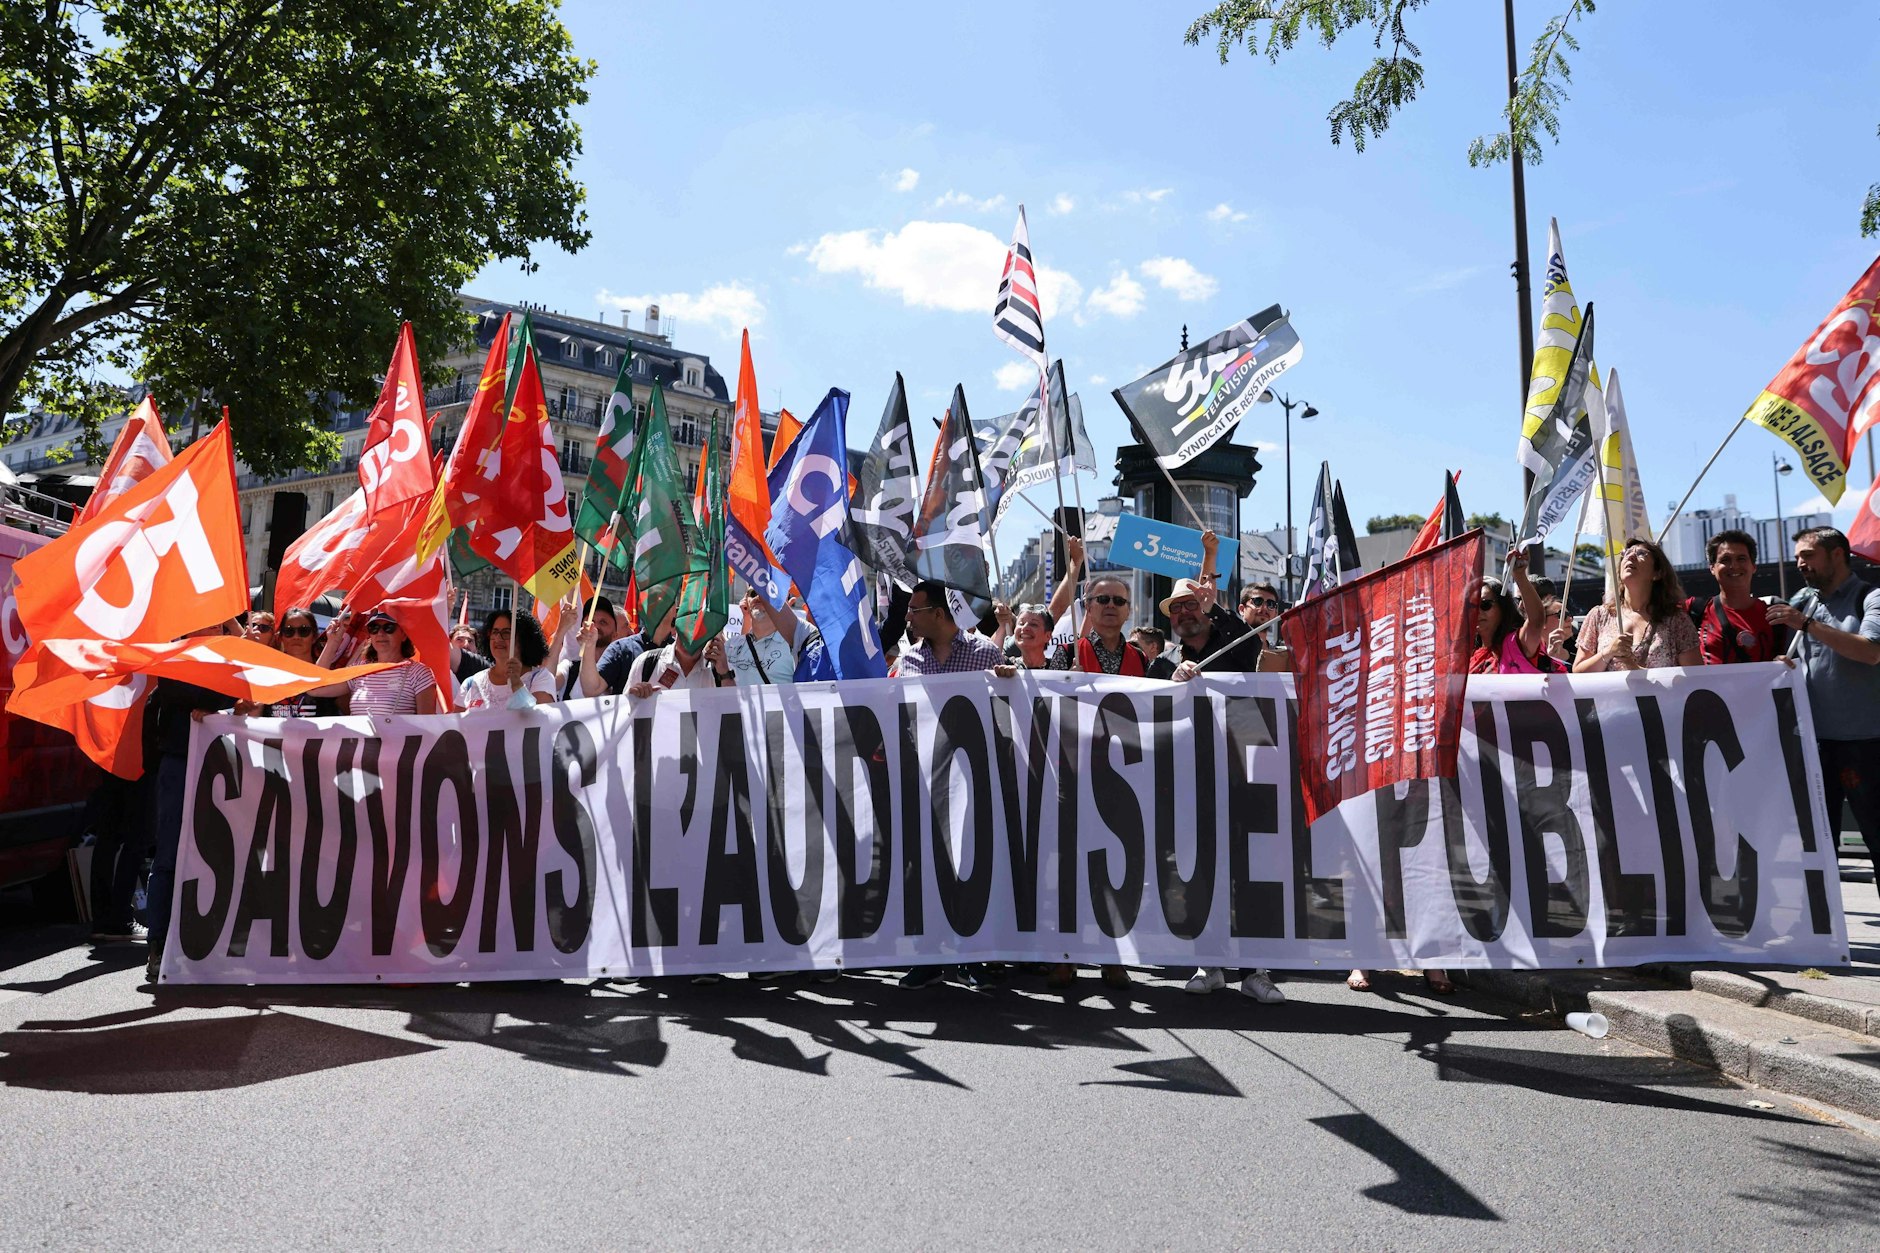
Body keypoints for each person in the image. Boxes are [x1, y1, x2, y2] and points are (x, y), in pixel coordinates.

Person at [894, 581, 1009, 990]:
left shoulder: (985, 654)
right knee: (926, 866)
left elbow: (1008, 708)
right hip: (924, 781)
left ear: (938, 614)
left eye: (915, 609)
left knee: (971, 865)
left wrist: (1011, 680)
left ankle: (972, 956)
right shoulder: (907, 660)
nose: (908, 617)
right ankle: (928, 957)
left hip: (972, 779)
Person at [1768, 527, 1880, 876]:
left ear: (1837, 554)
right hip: (1814, 747)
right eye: (1798, 556)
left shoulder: (1870, 597)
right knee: (1817, 847)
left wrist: (1807, 624)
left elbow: (1871, 652)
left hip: (1865, 745)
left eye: (1808, 555)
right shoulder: (1804, 600)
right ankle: (1827, 930)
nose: (1800, 563)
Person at [145, 624, 238, 984]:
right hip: (180, 764)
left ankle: (209, 946)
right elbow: (181, 692)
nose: (209, 621)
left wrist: (222, 696)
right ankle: (158, 946)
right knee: (168, 856)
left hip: (221, 764)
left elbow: (243, 689)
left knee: (218, 855)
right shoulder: (172, 653)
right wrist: (220, 697)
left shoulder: (231, 650)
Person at [1574, 538, 1702, 672]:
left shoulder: (1676, 620)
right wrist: (1608, 652)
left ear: (1657, 573)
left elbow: (1695, 679)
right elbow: (1578, 672)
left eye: (1641, 553)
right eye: (1626, 552)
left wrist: (1635, 669)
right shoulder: (1599, 616)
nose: (1631, 555)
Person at [308, 608, 438, 715]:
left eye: (388, 627)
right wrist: (333, 642)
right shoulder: (359, 670)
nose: (380, 633)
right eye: (374, 628)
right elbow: (314, 688)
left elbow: (426, 727)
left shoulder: (420, 673)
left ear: (403, 634)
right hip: (359, 746)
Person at [1689, 528, 1789, 664]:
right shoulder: (1693, 610)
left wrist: (1782, 663)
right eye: (1725, 559)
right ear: (1712, 568)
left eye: (1741, 559)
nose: (1734, 565)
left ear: (1753, 566)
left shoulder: (1776, 616)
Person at [1471, 549, 1555, 674]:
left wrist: (1520, 575)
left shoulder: (1517, 644)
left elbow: (1536, 622)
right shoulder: (1467, 654)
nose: (1477, 613)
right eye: (1471, 607)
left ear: (1503, 607)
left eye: (1485, 605)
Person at [460, 609, 557, 710]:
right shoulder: (470, 684)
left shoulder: (541, 678)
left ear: (524, 639)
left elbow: (542, 721)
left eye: (506, 633)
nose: (498, 639)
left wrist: (517, 684)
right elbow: (453, 723)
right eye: (495, 632)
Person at [726, 587, 807, 686]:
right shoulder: (731, 645)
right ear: (746, 601)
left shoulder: (795, 646)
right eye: (753, 593)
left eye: (766, 594)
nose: (758, 597)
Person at [269, 606, 340, 717]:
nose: (296, 637)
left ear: (314, 637)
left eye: (304, 631)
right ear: (281, 637)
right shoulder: (266, 676)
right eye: (289, 631)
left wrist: (333, 642)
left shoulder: (332, 678)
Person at [557, 596, 617, 698]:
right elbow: (545, 682)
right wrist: (561, 629)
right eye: (590, 621)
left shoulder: (622, 672)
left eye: (603, 622)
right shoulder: (569, 668)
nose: (595, 627)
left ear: (615, 635)